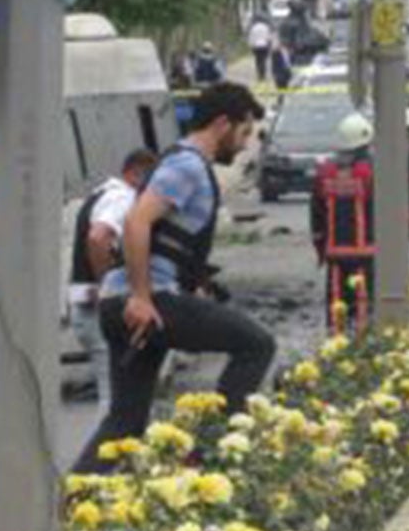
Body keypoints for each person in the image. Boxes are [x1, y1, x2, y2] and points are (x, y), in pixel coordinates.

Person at [75, 82, 275, 474]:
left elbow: (170, 241)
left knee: (126, 421)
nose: (244, 144)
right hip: (144, 303)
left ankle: (72, 505)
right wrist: (142, 296)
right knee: (257, 345)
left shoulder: (181, 164)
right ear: (222, 124)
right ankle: (209, 461)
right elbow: (136, 222)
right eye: (244, 132)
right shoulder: (186, 166)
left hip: (122, 303)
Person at [69, 148, 160, 400]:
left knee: (115, 393)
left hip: (84, 303)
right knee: (115, 398)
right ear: (137, 174)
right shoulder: (123, 198)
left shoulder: (100, 194)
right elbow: (98, 237)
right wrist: (108, 284)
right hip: (96, 308)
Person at [310, 112, 377, 328]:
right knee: (364, 302)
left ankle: (336, 346)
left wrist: (320, 247)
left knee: (337, 302)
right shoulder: (372, 172)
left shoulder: (326, 173)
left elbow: (316, 214)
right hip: (365, 251)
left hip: (335, 252)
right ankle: (362, 347)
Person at [248, 14, 275, 83]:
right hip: (264, 45)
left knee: (258, 60)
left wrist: (251, 46)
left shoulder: (253, 28)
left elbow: (251, 38)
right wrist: (270, 45)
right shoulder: (265, 27)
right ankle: (263, 74)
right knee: (263, 60)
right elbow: (269, 37)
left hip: (256, 46)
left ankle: (259, 74)